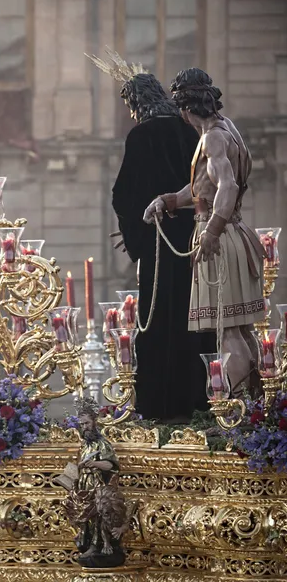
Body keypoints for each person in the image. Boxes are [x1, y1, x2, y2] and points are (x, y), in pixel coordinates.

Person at [144, 68, 265, 398]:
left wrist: (210, 233)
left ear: (184, 109)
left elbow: (228, 185)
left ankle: (237, 415)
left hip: (219, 240)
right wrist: (168, 200)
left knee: (227, 332)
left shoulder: (211, 138)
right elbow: (205, 186)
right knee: (242, 328)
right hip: (236, 234)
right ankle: (255, 408)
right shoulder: (228, 130)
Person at [111, 71, 216, 422]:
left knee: (159, 323)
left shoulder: (141, 135)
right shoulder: (191, 130)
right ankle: (204, 405)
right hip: (197, 242)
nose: (129, 113)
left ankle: (160, 408)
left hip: (160, 243)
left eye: (130, 105)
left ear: (138, 102)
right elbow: (205, 184)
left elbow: (123, 195)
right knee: (198, 320)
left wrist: (135, 237)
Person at [62, 397, 127, 568]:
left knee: (97, 518)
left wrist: (94, 463)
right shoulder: (85, 446)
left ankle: (96, 546)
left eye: (87, 423)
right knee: (83, 517)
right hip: (83, 484)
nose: (84, 427)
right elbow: (77, 464)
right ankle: (86, 543)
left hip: (97, 486)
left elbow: (110, 465)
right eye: (81, 424)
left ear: (94, 421)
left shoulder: (102, 444)